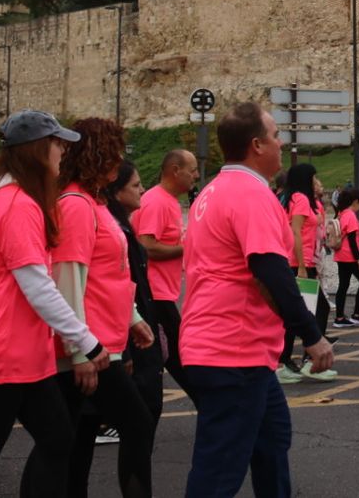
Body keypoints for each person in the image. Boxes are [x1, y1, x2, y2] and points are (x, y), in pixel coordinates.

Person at [0, 111, 108, 498]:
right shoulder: (17, 204)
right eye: (56, 143)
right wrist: (87, 342)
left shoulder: (1, 197)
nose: (63, 150)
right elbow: (37, 285)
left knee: (56, 441)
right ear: (36, 150)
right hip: (6, 354)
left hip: (15, 353)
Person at [180, 101, 333, 497]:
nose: (282, 143)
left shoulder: (211, 191)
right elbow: (271, 271)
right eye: (276, 135)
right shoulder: (251, 193)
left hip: (231, 348)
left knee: (272, 443)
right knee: (218, 472)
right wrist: (311, 335)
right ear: (256, 145)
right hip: (234, 350)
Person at [36, 117, 155, 498]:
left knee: (73, 439)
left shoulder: (93, 202)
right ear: (97, 154)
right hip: (92, 345)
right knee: (136, 425)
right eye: (115, 153)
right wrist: (79, 350)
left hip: (101, 339)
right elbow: (69, 279)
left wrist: (132, 318)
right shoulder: (75, 204)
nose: (119, 162)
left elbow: (110, 272)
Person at [104, 161, 167, 431]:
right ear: (117, 192)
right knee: (141, 419)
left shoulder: (123, 227)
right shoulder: (115, 230)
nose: (142, 190)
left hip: (138, 328)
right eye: (135, 185)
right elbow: (114, 287)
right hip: (131, 336)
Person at [130, 149, 196, 389]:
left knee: (164, 356)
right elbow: (146, 246)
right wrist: (186, 248)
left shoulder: (168, 201)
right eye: (192, 170)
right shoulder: (157, 201)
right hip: (154, 294)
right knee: (178, 355)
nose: (196, 176)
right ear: (175, 171)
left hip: (162, 292)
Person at [277, 164, 336, 383]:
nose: (315, 181)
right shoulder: (300, 199)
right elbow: (295, 232)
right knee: (318, 308)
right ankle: (307, 360)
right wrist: (302, 265)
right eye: (313, 177)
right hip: (298, 262)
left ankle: (290, 360)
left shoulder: (297, 198)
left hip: (302, 261)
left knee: (296, 312)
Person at [331, 189, 359, 326]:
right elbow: (353, 241)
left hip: (340, 256)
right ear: (356, 202)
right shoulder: (350, 216)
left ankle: (339, 318)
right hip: (350, 257)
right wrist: (358, 259)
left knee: (343, 286)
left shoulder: (341, 214)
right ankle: (357, 314)